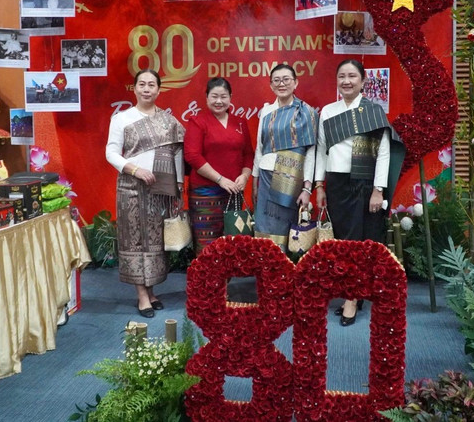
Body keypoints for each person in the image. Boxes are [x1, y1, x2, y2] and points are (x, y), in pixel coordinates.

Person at [314, 59, 404, 326]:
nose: (346, 81)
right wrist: (319, 185)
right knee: (342, 241)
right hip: (337, 183)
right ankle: (353, 291)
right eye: (342, 76)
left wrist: (378, 190)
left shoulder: (373, 111)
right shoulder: (328, 112)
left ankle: (351, 297)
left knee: (358, 242)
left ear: (363, 81)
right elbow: (321, 150)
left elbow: (385, 153)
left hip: (363, 183)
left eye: (352, 76)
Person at [105, 69, 185, 318]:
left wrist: (178, 186)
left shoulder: (169, 121)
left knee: (155, 241)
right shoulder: (122, 119)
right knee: (136, 240)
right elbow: (111, 153)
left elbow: (178, 154)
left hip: (161, 191)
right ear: (135, 88)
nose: (147, 88)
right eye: (142, 84)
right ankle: (141, 295)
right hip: (131, 188)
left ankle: (151, 291)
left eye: (152, 84)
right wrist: (135, 169)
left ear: (159, 90)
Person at [184, 78, 254, 255]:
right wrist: (220, 180)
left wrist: (245, 176)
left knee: (232, 242)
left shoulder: (240, 122)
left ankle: (225, 283)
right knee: (207, 245)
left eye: (223, 96)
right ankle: (207, 282)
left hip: (234, 191)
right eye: (214, 96)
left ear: (231, 97)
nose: (219, 101)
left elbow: (248, 154)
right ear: (206, 98)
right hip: (205, 193)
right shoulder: (198, 121)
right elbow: (192, 156)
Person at [252, 64, 318, 250]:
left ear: (295, 82)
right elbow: (260, 147)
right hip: (266, 177)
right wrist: (255, 180)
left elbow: (311, 153)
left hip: (292, 180)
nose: (282, 84)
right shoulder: (266, 112)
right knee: (264, 229)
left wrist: (307, 188)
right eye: (276, 80)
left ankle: (285, 273)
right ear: (271, 85)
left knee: (288, 229)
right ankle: (267, 272)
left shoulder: (307, 113)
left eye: (286, 79)